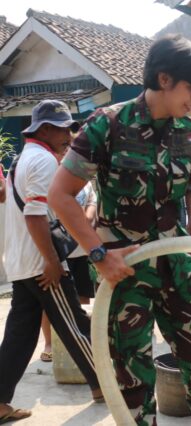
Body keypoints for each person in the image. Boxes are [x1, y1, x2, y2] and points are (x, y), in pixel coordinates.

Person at [48, 35, 191, 426]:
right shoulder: (106, 125)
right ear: (164, 78)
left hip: (178, 263)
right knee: (131, 379)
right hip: (122, 270)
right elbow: (60, 195)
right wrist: (99, 254)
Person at [0, 100, 102, 424]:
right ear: (44, 129)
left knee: (20, 333)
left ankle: (0, 402)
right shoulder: (42, 160)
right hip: (40, 262)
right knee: (74, 325)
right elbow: (34, 216)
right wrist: (51, 261)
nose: (68, 135)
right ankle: (108, 385)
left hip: (22, 260)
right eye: (62, 128)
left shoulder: (23, 158)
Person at [66, 181, 98, 305]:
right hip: (63, 251)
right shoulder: (55, 178)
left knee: (83, 295)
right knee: (62, 297)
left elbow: (92, 202)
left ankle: (80, 324)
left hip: (83, 250)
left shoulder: (86, 182)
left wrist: (86, 219)